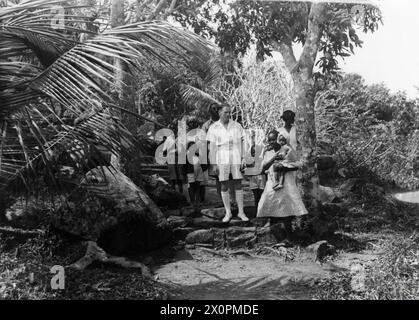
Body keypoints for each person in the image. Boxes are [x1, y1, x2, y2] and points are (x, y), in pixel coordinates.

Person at [207, 104, 249, 223]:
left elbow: (243, 141)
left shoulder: (236, 125)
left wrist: (243, 158)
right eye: (225, 112)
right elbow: (212, 147)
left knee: (238, 182)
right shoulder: (214, 127)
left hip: (235, 153)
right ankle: (228, 212)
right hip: (221, 155)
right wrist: (214, 163)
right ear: (219, 112)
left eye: (229, 112)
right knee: (224, 183)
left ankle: (241, 212)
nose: (228, 114)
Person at [257, 132, 308, 226]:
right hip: (272, 180)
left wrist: (285, 168)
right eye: (270, 140)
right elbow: (263, 167)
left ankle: (289, 228)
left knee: (286, 202)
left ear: (279, 139)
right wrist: (273, 158)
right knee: (269, 199)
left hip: (286, 180)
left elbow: (297, 164)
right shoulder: (267, 151)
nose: (272, 142)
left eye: (274, 139)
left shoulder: (287, 149)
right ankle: (272, 223)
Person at [202, 104, 236, 207]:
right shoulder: (207, 125)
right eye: (213, 109)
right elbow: (205, 142)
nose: (215, 111)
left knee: (231, 177)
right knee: (218, 178)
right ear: (210, 111)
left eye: (217, 109)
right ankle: (221, 200)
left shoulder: (230, 123)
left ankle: (233, 199)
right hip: (214, 154)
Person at [243, 129, 265, 208]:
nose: (254, 154)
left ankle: (260, 212)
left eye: (256, 152)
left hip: (261, 179)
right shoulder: (249, 161)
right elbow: (246, 173)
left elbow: (263, 170)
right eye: (253, 153)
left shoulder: (261, 160)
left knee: (261, 196)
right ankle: (256, 212)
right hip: (253, 180)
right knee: (256, 197)